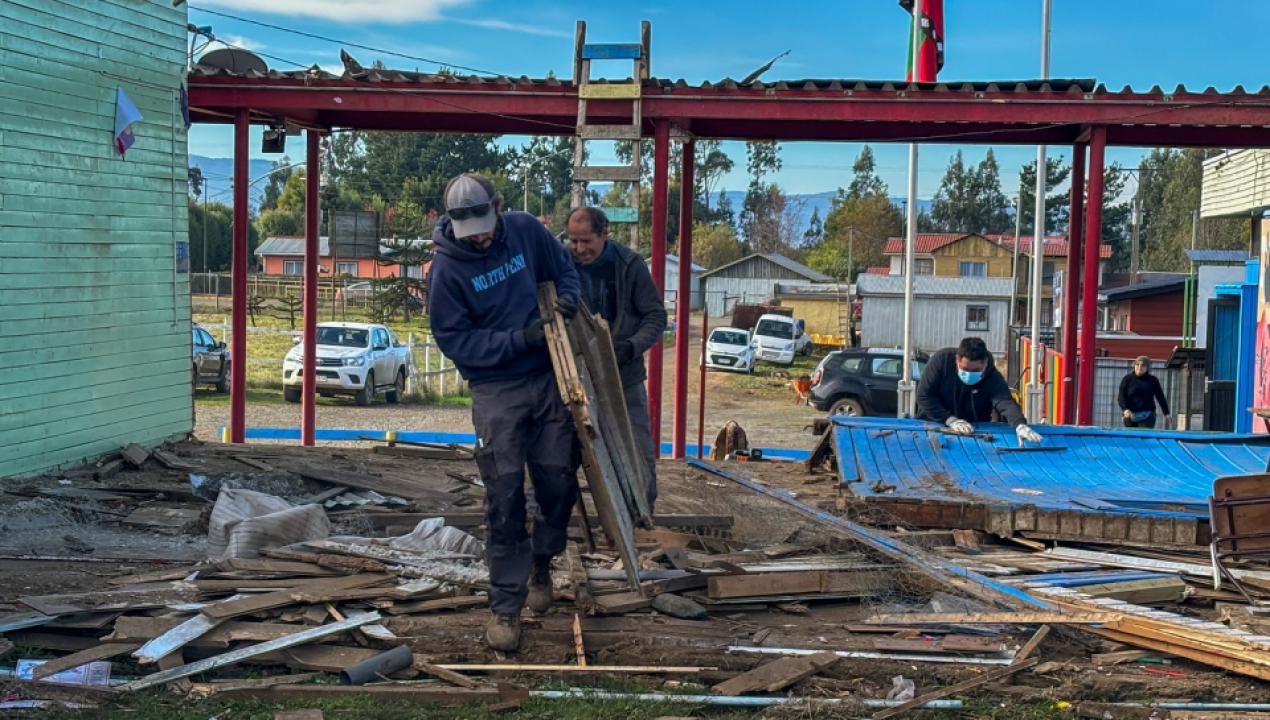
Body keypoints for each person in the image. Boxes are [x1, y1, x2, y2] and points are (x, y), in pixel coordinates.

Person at [426, 173, 582, 652]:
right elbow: (456, 343)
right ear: (450, 222)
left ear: (498, 206)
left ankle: (542, 563)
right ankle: (506, 608)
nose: (480, 237)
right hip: (496, 388)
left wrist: (569, 302)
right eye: (469, 230)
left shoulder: (527, 231)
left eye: (486, 226)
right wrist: (517, 340)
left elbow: (566, 270)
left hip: (549, 378)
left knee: (558, 480)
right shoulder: (446, 274)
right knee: (505, 495)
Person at [564, 206, 668, 511]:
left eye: (586, 241)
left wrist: (632, 346)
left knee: (635, 449)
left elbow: (655, 316)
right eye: (573, 241)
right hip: (574, 375)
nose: (579, 249)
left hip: (624, 374)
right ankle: (555, 516)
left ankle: (639, 515)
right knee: (560, 447)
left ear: (604, 235)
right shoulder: (560, 262)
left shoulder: (629, 265)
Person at [916, 337, 1043, 445]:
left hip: (973, 433)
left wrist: (1020, 425)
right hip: (930, 426)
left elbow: (1005, 401)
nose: (969, 374)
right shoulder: (941, 361)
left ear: (986, 364)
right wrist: (949, 419)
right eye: (965, 369)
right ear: (957, 360)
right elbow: (924, 396)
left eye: (976, 371)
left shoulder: (992, 376)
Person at [1119, 355, 1171, 429]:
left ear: (1147, 368)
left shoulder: (1153, 380)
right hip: (1130, 415)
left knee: (1144, 435)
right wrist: (1125, 409)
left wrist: (1166, 413)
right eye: (1137, 364)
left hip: (1147, 415)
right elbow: (1121, 396)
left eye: (1143, 365)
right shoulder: (1127, 379)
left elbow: (1160, 397)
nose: (1139, 367)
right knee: (1131, 437)